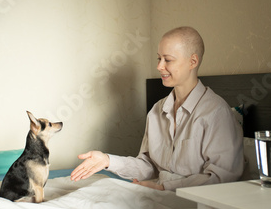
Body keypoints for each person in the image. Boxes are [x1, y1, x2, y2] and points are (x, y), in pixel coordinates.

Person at [70, 26, 243, 191]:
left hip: (196, 203)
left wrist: (164, 188)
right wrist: (107, 161)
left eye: (167, 60)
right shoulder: (157, 110)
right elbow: (149, 167)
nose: (159, 66)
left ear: (193, 61)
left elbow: (221, 179)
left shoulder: (216, 112)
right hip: (158, 194)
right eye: (159, 58)